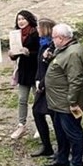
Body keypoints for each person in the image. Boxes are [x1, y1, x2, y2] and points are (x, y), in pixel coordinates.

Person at [45, 23, 83, 166]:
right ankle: (62, 158)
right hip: (58, 102)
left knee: (73, 133)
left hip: (67, 103)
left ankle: (77, 162)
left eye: (54, 37)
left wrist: (72, 102)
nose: (52, 40)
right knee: (60, 131)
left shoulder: (73, 53)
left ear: (62, 38)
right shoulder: (64, 49)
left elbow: (76, 80)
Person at [8, 10, 39, 139]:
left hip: (35, 70)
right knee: (22, 99)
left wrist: (29, 53)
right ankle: (21, 125)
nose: (20, 21)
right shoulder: (16, 35)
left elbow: (39, 52)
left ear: (29, 19)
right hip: (24, 71)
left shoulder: (35, 33)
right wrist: (12, 55)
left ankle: (39, 126)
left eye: (23, 19)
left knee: (37, 99)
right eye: (18, 19)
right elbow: (16, 55)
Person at [30, 18, 56, 157]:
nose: (37, 30)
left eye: (39, 27)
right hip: (41, 83)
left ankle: (62, 147)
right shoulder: (42, 44)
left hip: (49, 85)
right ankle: (46, 145)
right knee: (37, 112)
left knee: (53, 115)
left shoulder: (51, 46)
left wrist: (43, 82)